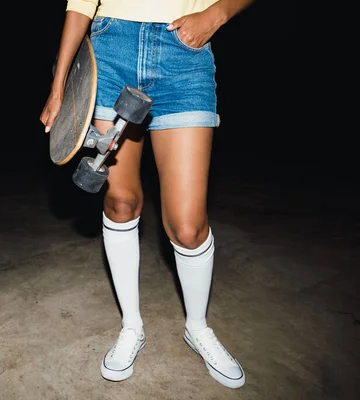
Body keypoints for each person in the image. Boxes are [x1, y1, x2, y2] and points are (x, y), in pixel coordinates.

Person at [40, 0, 254, 389]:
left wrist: (216, 15)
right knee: (120, 202)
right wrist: (59, 87)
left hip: (184, 57)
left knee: (188, 226)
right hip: (111, 50)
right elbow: (81, 3)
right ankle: (131, 326)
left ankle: (197, 327)